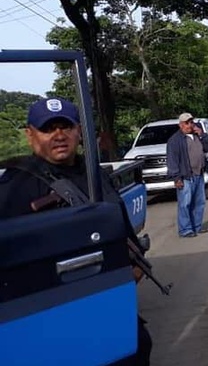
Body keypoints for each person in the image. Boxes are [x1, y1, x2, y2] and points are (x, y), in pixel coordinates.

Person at [0, 98, 153, 364]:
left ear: (79, 131)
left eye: (66, 127)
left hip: (106, 296)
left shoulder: (94, 174)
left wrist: (135, 261)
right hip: (51, 309)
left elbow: (121, 226)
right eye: (48, 129)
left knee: (138, 347)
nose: (59, 135)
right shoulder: (13, 188)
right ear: (30, 134)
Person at [166, 113, 208, 238]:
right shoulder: (175, 140)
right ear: (180, 125)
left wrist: (202, 134)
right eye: (186, 123)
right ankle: (185, 229)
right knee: (185, 204)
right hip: (185, 176)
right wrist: (176, 177)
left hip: (199, 174)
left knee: (199, 202)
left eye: (191, 122)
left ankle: (197, 226)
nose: (189, 125)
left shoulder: (197, 135)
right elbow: (172, 160)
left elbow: (207, 147)